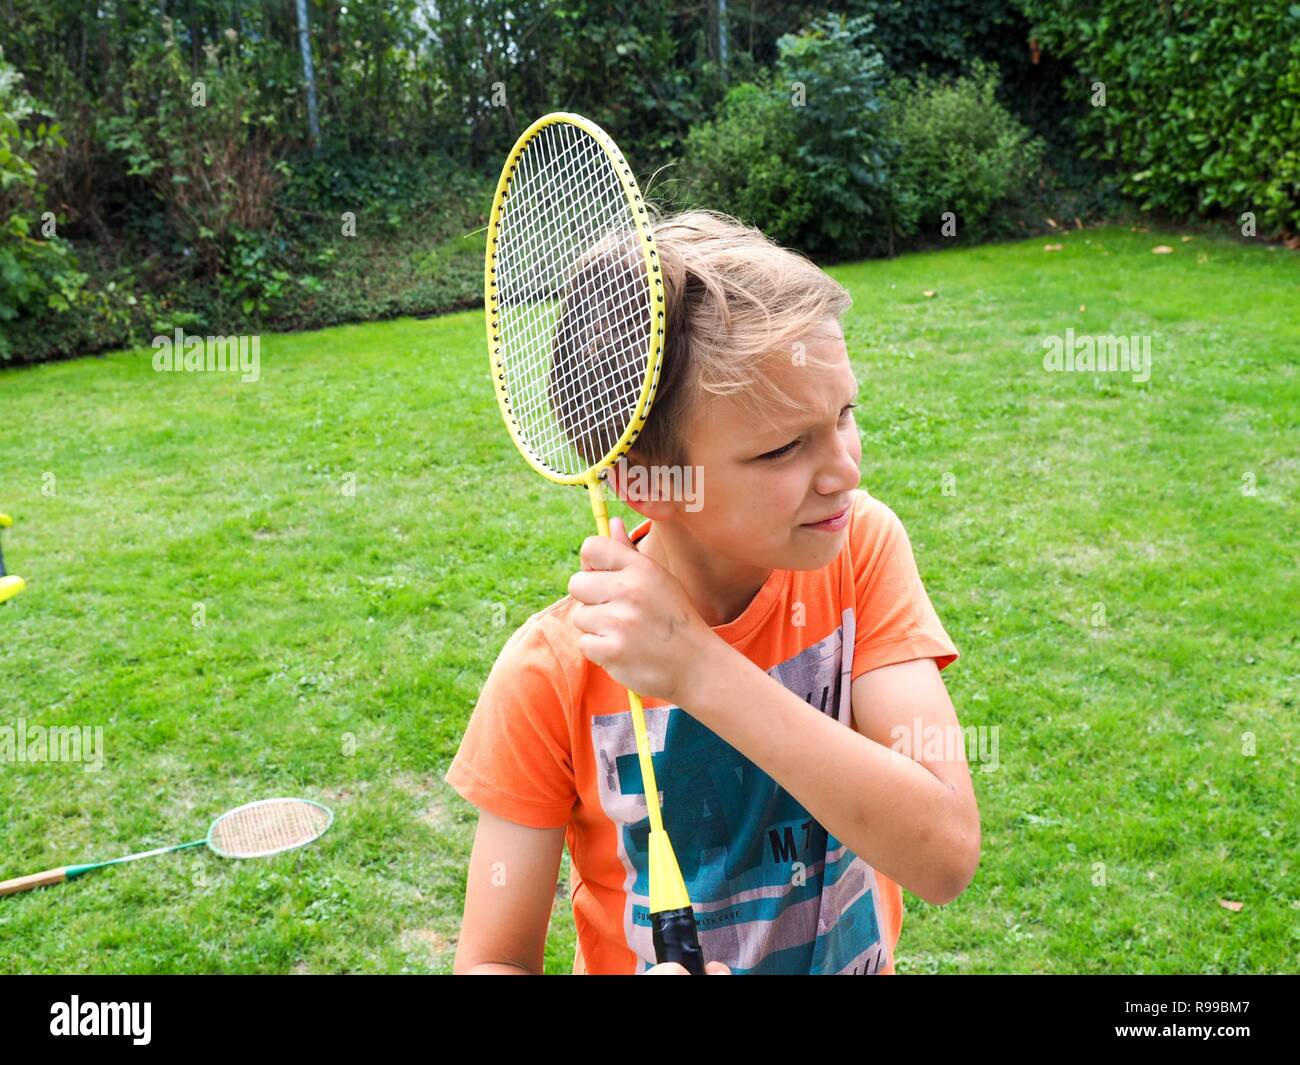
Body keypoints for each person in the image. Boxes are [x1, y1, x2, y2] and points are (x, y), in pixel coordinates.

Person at [446, 209, 980, 974]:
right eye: (783, 447)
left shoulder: (859, 551)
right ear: (644, 482)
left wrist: (700, 670)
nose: (845, 470)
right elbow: (491, 959)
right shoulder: (550, 673)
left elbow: (946, 853)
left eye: (844, 415)